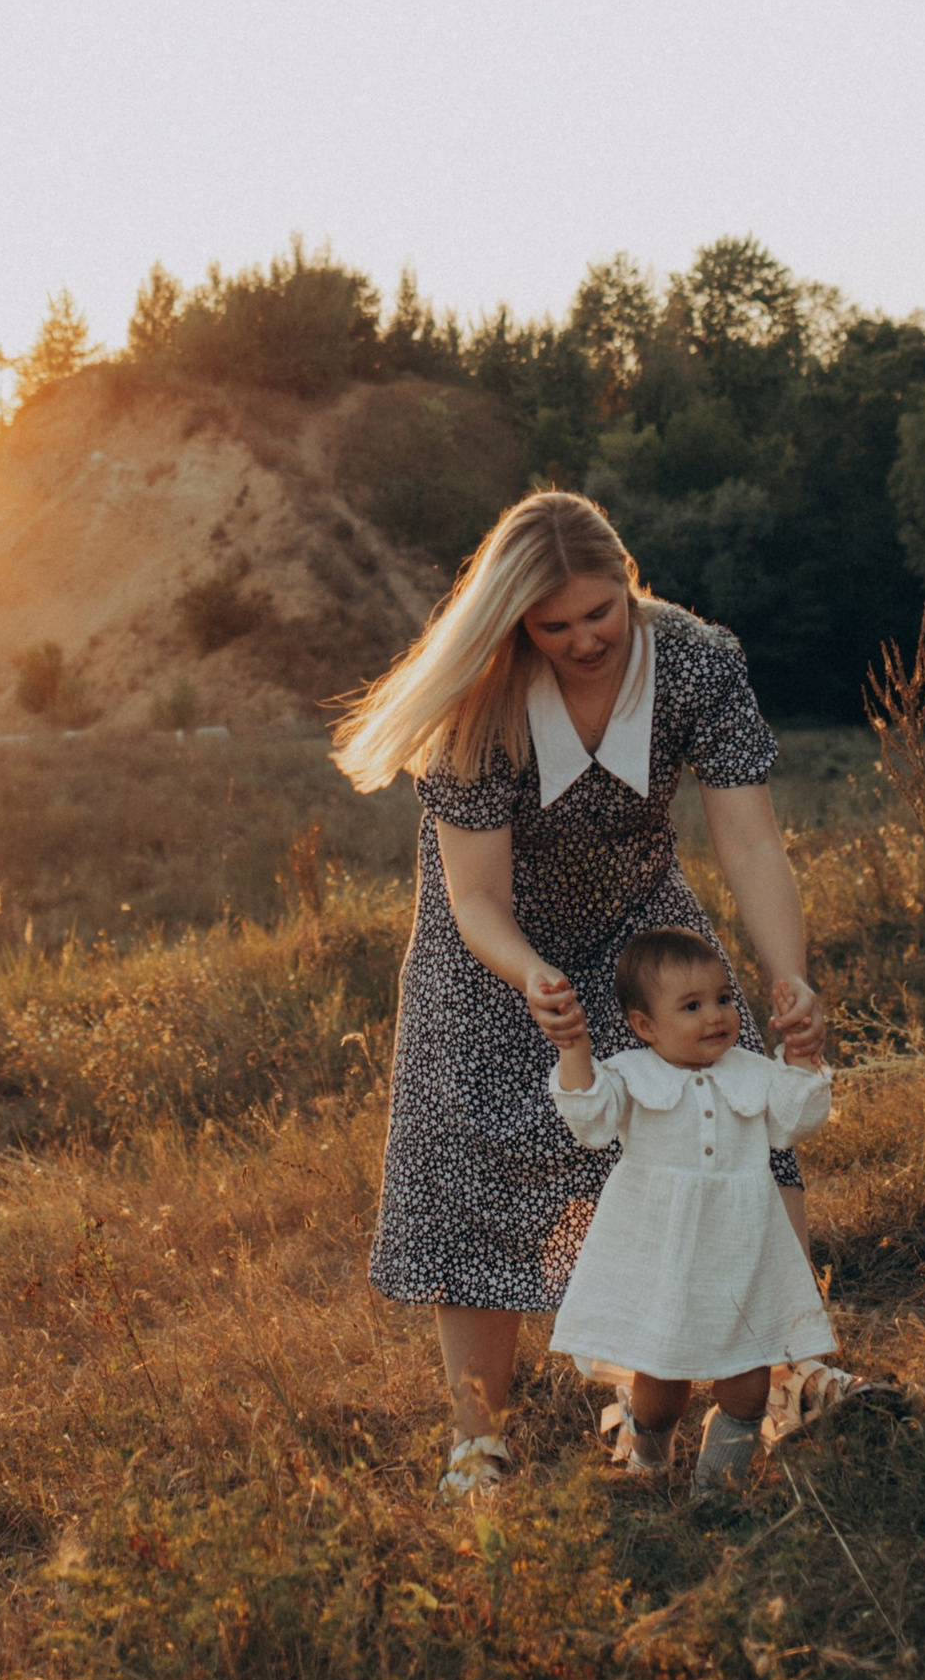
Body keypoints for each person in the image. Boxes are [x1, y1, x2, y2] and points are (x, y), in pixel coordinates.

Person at [334, 488, 869, 1498]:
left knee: (739, 1113)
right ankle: (479, 1443)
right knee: (481, 1163)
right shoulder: (479, 699)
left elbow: (749, 839)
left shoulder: (697, 662)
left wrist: (786, 972)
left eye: (601, 612)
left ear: (629, 586)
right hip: (495, 947)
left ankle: (787, 1374)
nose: (585, 640)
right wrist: (531, 975)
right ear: (515, 625)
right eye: (554, 626)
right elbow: (476, 896)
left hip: (640, 927)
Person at [547, 924, 835, 1501]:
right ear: (645, 1026)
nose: (716, 1016)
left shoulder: (751, 1071)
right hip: (665, 1256)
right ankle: (648, 1464)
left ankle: (718, 1492)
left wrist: (802, 1057)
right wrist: (575, 1051)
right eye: (692, 1006)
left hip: (742, 1250)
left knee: (748, 1382)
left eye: (724, 998)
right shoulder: (631, 1074)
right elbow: (591, 1123)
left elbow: (796, 1121)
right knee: (662, 1388)